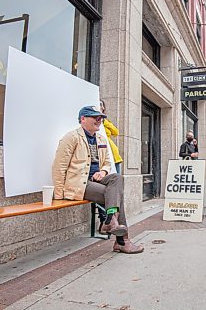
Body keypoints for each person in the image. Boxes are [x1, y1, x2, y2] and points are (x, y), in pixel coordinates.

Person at [52, 105, 143, 254]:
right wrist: (59, 193)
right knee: (116, 196)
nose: (99, 120)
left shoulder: (101, 138)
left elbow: (107, 162)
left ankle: (109, 222)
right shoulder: (71, 137)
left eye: (100, 117)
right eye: (95, 117)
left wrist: (103, 171)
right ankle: (122, 240)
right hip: (79, 183)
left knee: (117, 178)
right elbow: (59, 166)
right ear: (83, 119)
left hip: (97, 180)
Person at [100, 100, 123, 174]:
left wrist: (104, 122)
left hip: (113, 152)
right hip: (102, 154)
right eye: (99, 104)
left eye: (102, 105)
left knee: (116, 178)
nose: (101, 106)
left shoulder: (105, 121)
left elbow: (116, 132)